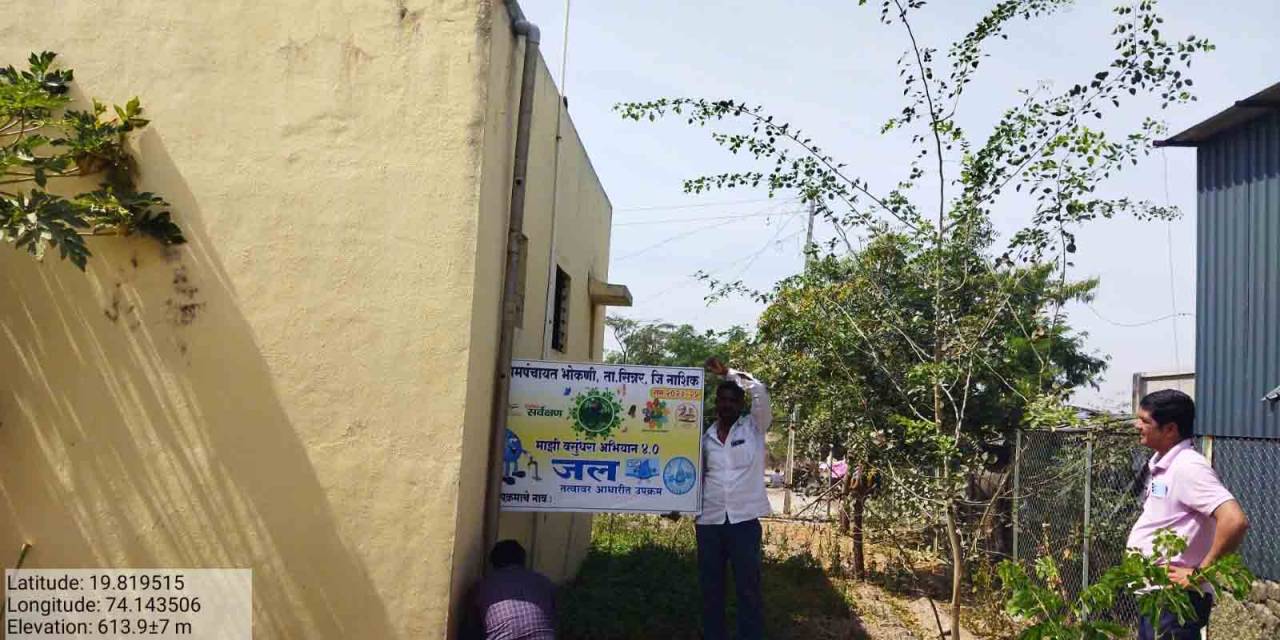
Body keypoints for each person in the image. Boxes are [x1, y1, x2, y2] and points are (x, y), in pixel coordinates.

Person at [1127, 389, 1249, 640]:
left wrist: (1200, 574)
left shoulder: (1188, 467)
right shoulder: (1164, 464)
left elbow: (1234, 520)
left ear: (1170, 429)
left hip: (1174, 601)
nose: (1137, 425)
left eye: (1145, 421)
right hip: (1158, 596)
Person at [696, 356, 772, 640]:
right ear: (716, 403)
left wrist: (728, 374)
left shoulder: (754, 427)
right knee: (711, 589)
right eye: (723, 400)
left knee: (748, 589)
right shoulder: (704, 438)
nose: (727, 404)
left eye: (732, 400)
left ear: (741, 405)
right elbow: (695, 479)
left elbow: (759, 390)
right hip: (709, 522)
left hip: (744, 523)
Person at [463, 540, 556, 640]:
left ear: (493, 563)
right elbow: (555, 620)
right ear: (523, 561)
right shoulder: (544, 582)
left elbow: (472, 629)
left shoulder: (482, 586)